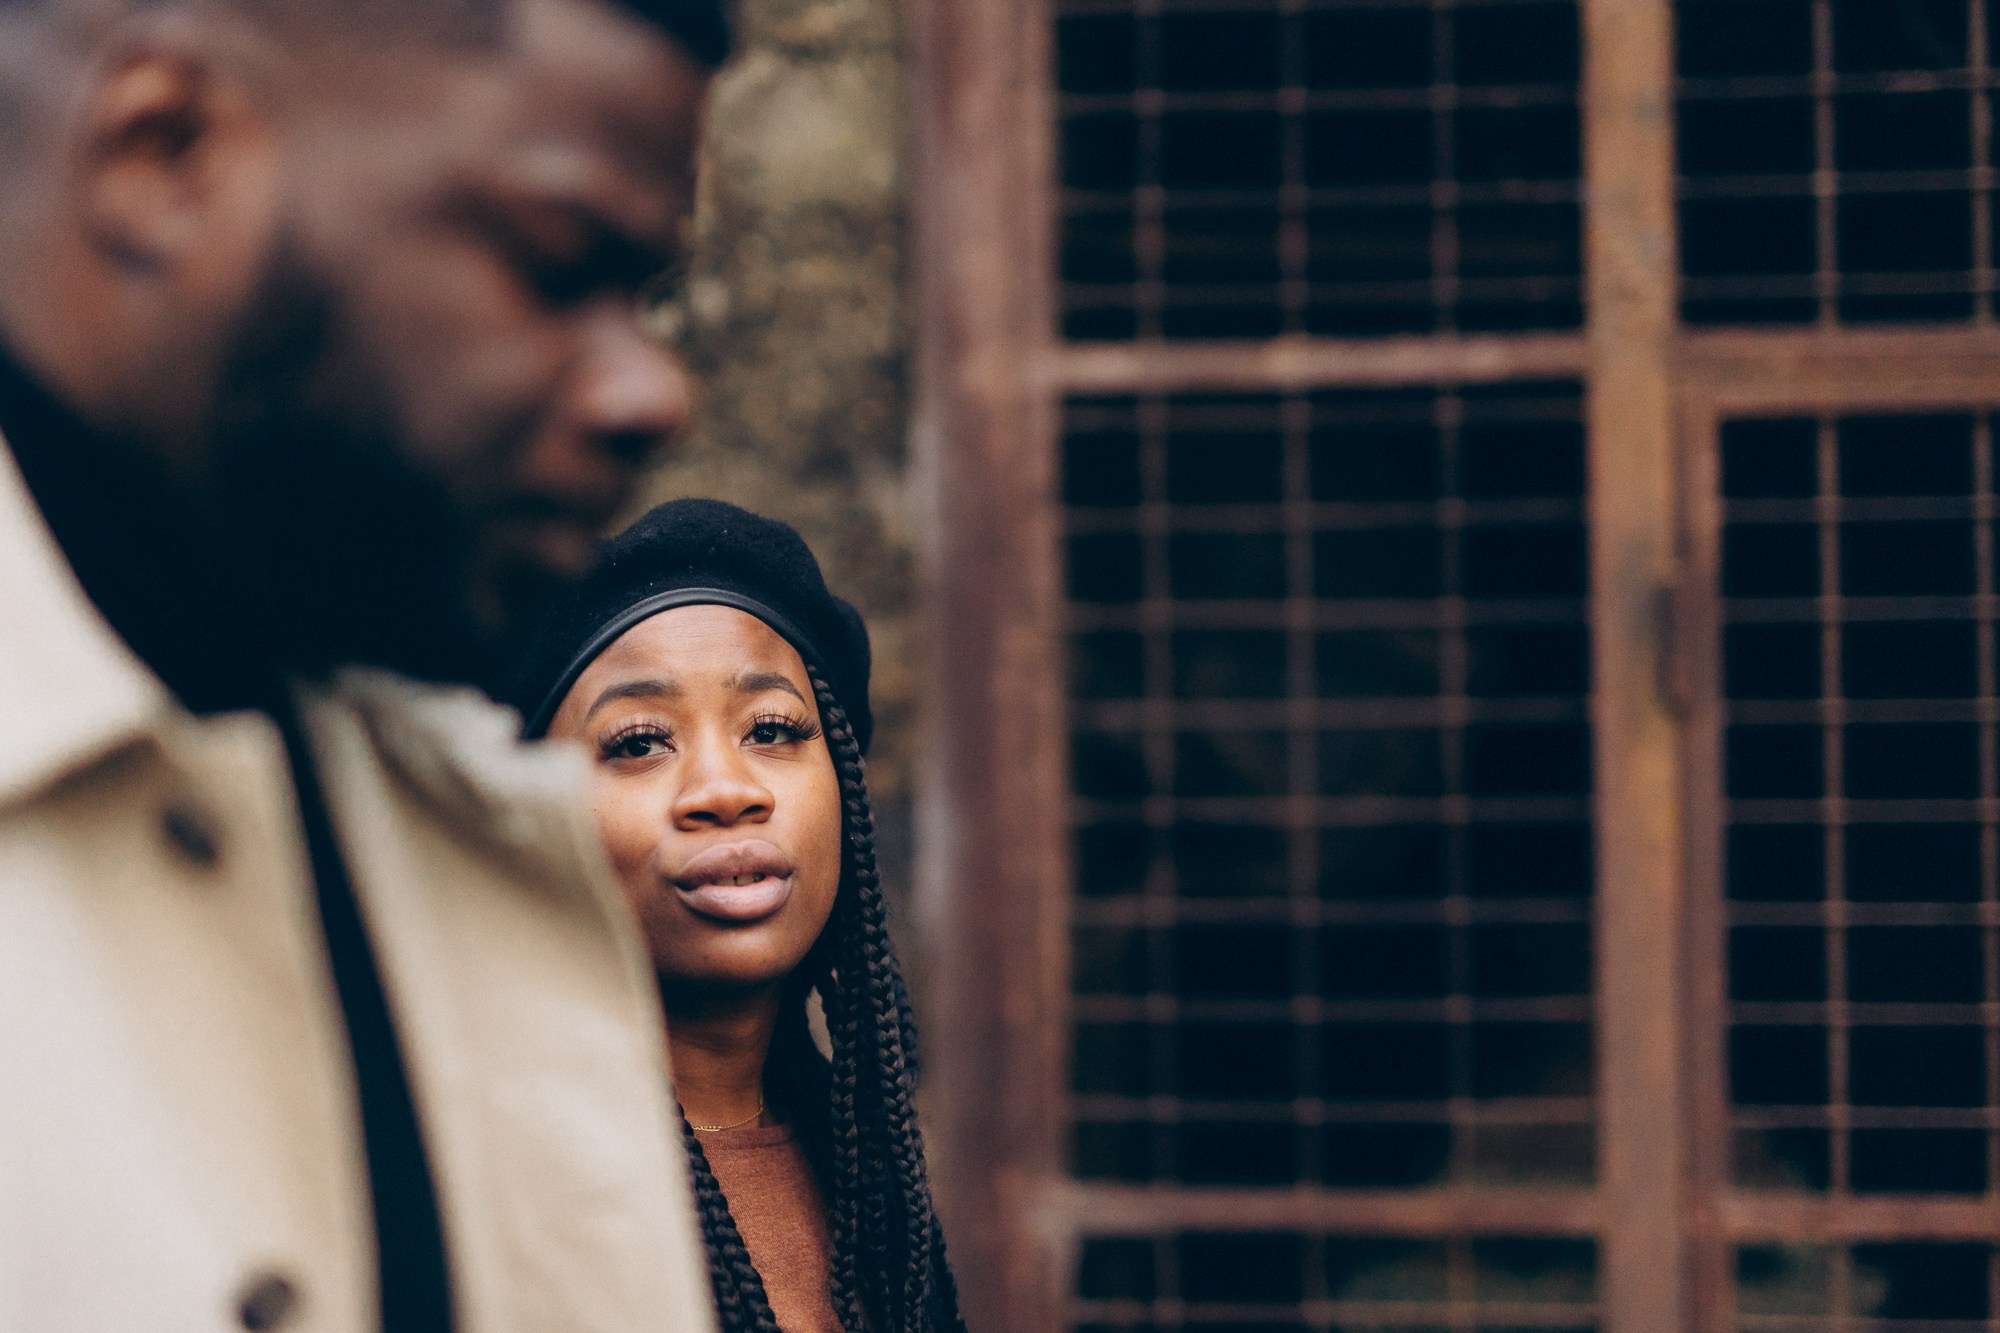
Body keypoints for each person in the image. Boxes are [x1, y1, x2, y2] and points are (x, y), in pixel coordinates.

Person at [0, 0, 734, 1327]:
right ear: (162, 154)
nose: (650, 389)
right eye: (561, 266)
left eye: (652, 297)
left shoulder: (465, 818)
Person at [509, 499, 966, 1333]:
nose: (726, 789)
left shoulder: (868, 1188)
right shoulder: (485, 1188)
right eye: (641, 740)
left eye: (774, 728)